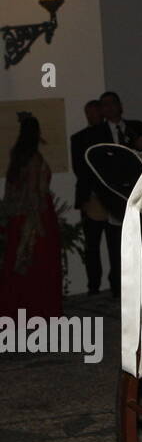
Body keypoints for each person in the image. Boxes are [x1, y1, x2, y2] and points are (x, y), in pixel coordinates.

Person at [84, 91, 142, 295]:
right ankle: (117, 287)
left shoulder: (136, 127)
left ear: (120, 106)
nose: (109, 108)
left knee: (141, 241)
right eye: (105, 105)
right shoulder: (95, 134)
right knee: (115, 244)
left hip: (138, 194)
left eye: (113, 103)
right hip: (111, 197)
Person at [1, 113, 62, 318]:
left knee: (16, 262)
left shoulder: (16, 155)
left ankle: (18, 310)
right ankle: (39, 311)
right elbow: (35, 193)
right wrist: (37, 225)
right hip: (35, 216)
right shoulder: (34, 158)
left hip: (16, 217)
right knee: (38, 265)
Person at [70, 99, 108, 294]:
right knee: (91, 246)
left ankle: (117, 285)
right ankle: (93, 285)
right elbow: (80, 170)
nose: (90, 116)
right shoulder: (78, 139)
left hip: (111, 199)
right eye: (88, 113)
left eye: (93, 112)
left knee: (115, 244)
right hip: (90, 198)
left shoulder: (110, 133)